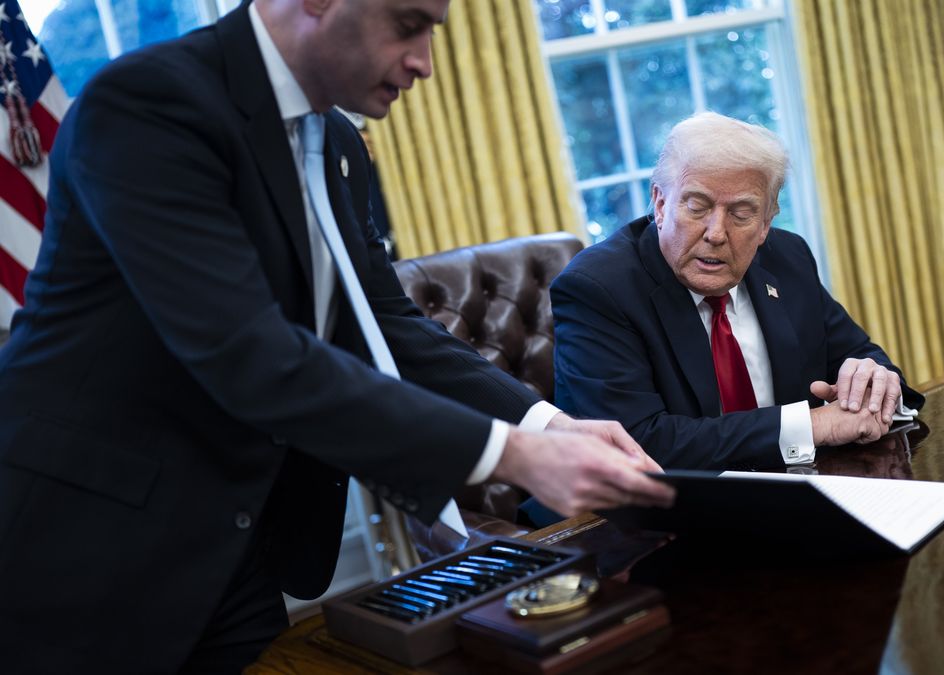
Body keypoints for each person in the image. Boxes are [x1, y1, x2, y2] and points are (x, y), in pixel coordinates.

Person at [0, 0, 673, 671]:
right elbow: (249, 353)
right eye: (408, 26)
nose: (425, 63)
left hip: (238, 539)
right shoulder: (151, 104)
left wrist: (548, 423)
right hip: (84, 541)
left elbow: (383, 321)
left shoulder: (338, 147)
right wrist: (511, 454)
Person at [552, 112, 925, 473]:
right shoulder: (598, 289)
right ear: (661, 204)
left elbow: (859, 354)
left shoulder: (787, 258)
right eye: (697, 207)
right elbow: (638, 445)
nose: (716, 233)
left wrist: (873, 382)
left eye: (741, 214)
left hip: (794, 493)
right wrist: (813, 426)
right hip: (632, 519)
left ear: (765, 225)